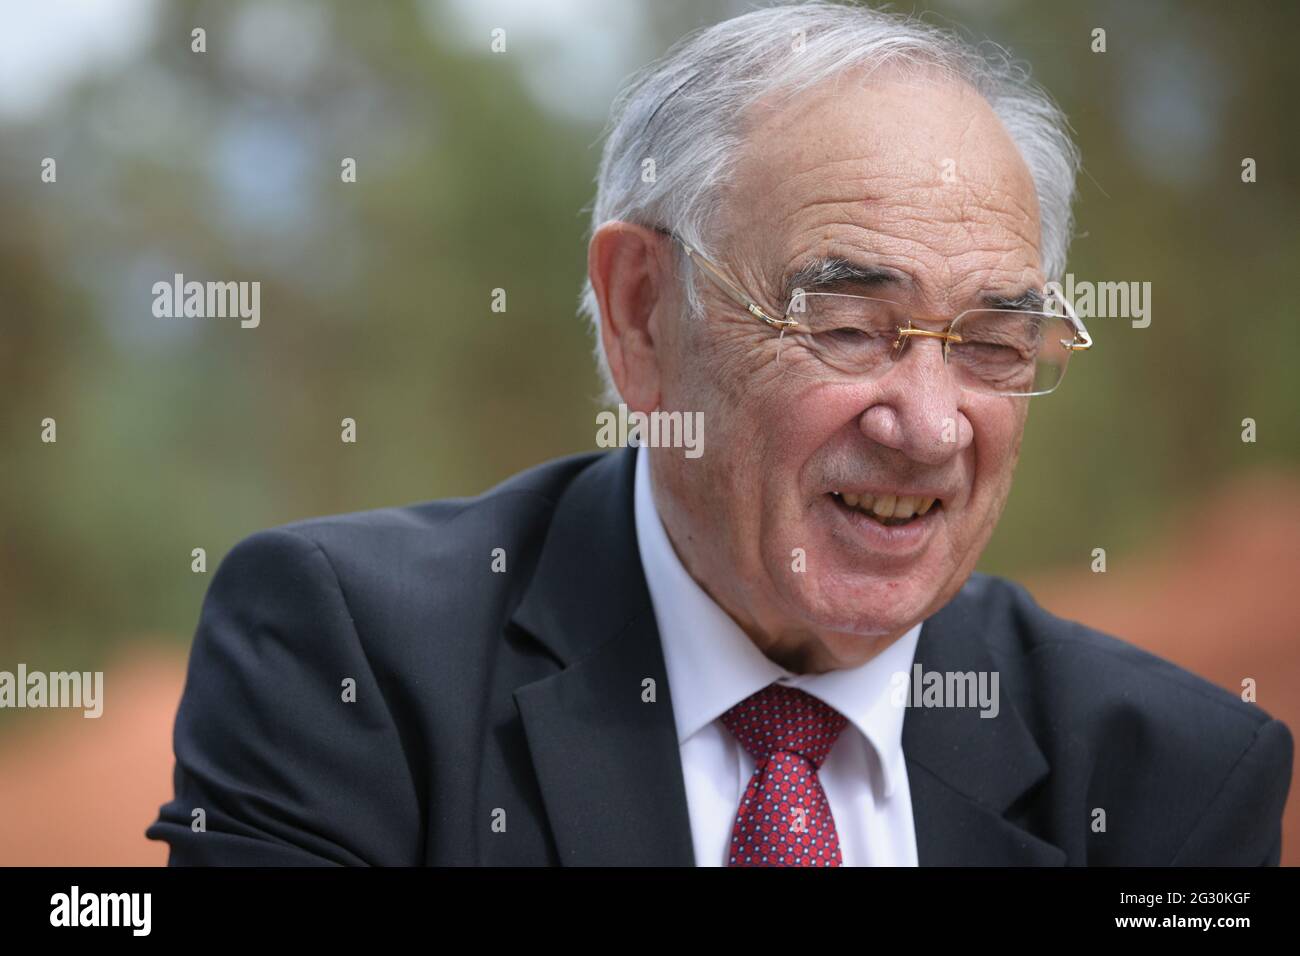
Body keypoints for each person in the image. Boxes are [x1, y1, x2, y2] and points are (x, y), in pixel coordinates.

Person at [147, 1, 1291, 866]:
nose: (930, 424)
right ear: (645, 312)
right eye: (848, 324)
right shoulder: (352, 666)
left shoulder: (1167, 776)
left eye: (994, 340)